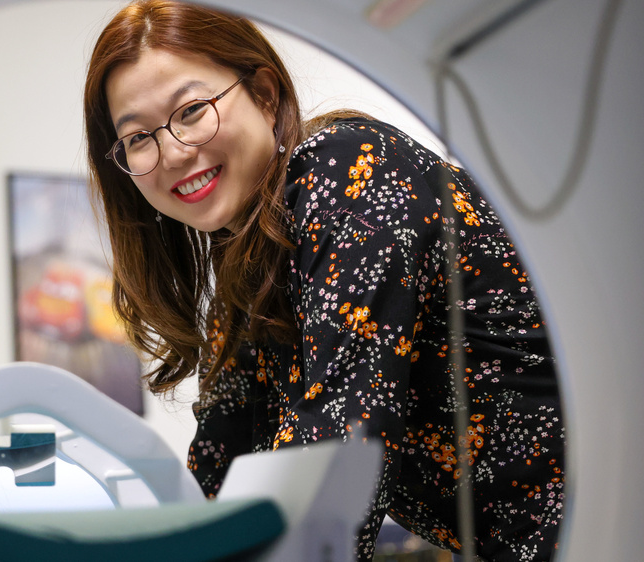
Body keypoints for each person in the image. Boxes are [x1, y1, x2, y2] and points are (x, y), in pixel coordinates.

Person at [82, 2, 565, 560]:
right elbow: (220, 466)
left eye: (191, 110)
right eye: (138, 138)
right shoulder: (250, 261)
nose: (173, 151)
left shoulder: (350, 176)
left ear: (264, 94)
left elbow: (340, 450)